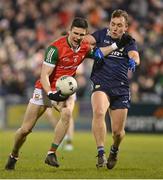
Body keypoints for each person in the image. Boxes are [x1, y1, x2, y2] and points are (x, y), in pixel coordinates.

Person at [5, 17, 131, 170]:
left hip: (66, 88)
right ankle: (14, 154)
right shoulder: (55, 48)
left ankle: (51, 153)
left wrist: (116, 45)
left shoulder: (84, 47)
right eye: (75, 33)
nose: (78, 37)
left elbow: (99, 54)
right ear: (70, 31)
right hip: (45, 89)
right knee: (25, 130)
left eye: (81, 35)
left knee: (66, 114)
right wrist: (50, 93)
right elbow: (44, 75)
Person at [85, 9, 140, 169]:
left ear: (126, 27)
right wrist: (84, 42)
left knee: (117, 132)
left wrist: (133, 61)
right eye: (113, 24)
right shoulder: (101, 35)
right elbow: (86, 41)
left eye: (119, 25)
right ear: (109, 23)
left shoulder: (129, 41)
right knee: (99, 112)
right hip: (101, 82)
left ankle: (114, 149)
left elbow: (135, 56)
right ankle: (101, 153)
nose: (115, 28)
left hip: (121, 88)